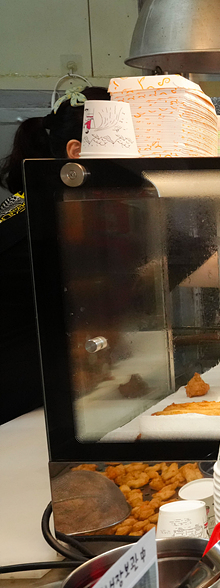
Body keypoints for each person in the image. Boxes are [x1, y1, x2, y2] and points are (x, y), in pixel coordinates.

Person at [0, 86, 110, 424]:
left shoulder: (36, 204)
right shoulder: (40, 223)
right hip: (17, 410)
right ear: (75, 151)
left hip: (42, 399)